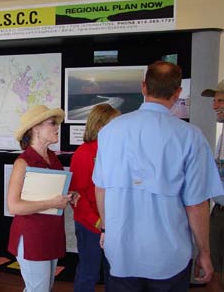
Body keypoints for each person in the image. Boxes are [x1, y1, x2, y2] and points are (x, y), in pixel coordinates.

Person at [92, 61, 223, 292]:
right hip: (169, 256)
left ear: (144, 87)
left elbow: (101, 189)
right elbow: (196, 204)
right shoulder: (190, 137)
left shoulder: (110, 132)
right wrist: (204, 251)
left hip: (121, 252)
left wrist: (106, 230)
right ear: (178, 92)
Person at [7, 105, 78, 292]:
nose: (57, 128)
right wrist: (52, 203)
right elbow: (14, 206)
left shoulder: (53, 158)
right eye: (52, 123)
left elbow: (52, 191)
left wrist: (70, 195)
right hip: (32, 238)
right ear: (35, 128)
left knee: (42, 288)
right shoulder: (23, 162)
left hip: (50, 234)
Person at [69, 104, 120, 292]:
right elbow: (77, 197)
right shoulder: (83, 154)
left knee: (114, 272)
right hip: (90, 225)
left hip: (112, 224)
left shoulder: (116, 151)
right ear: (100, 126)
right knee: (88, 272)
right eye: (115, 124)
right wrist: (98, 222)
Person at [202, 79, 224, 292]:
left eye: (220, 101)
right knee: (216, 270)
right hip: (219, 209)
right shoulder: (222, 134)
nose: (214, 106)